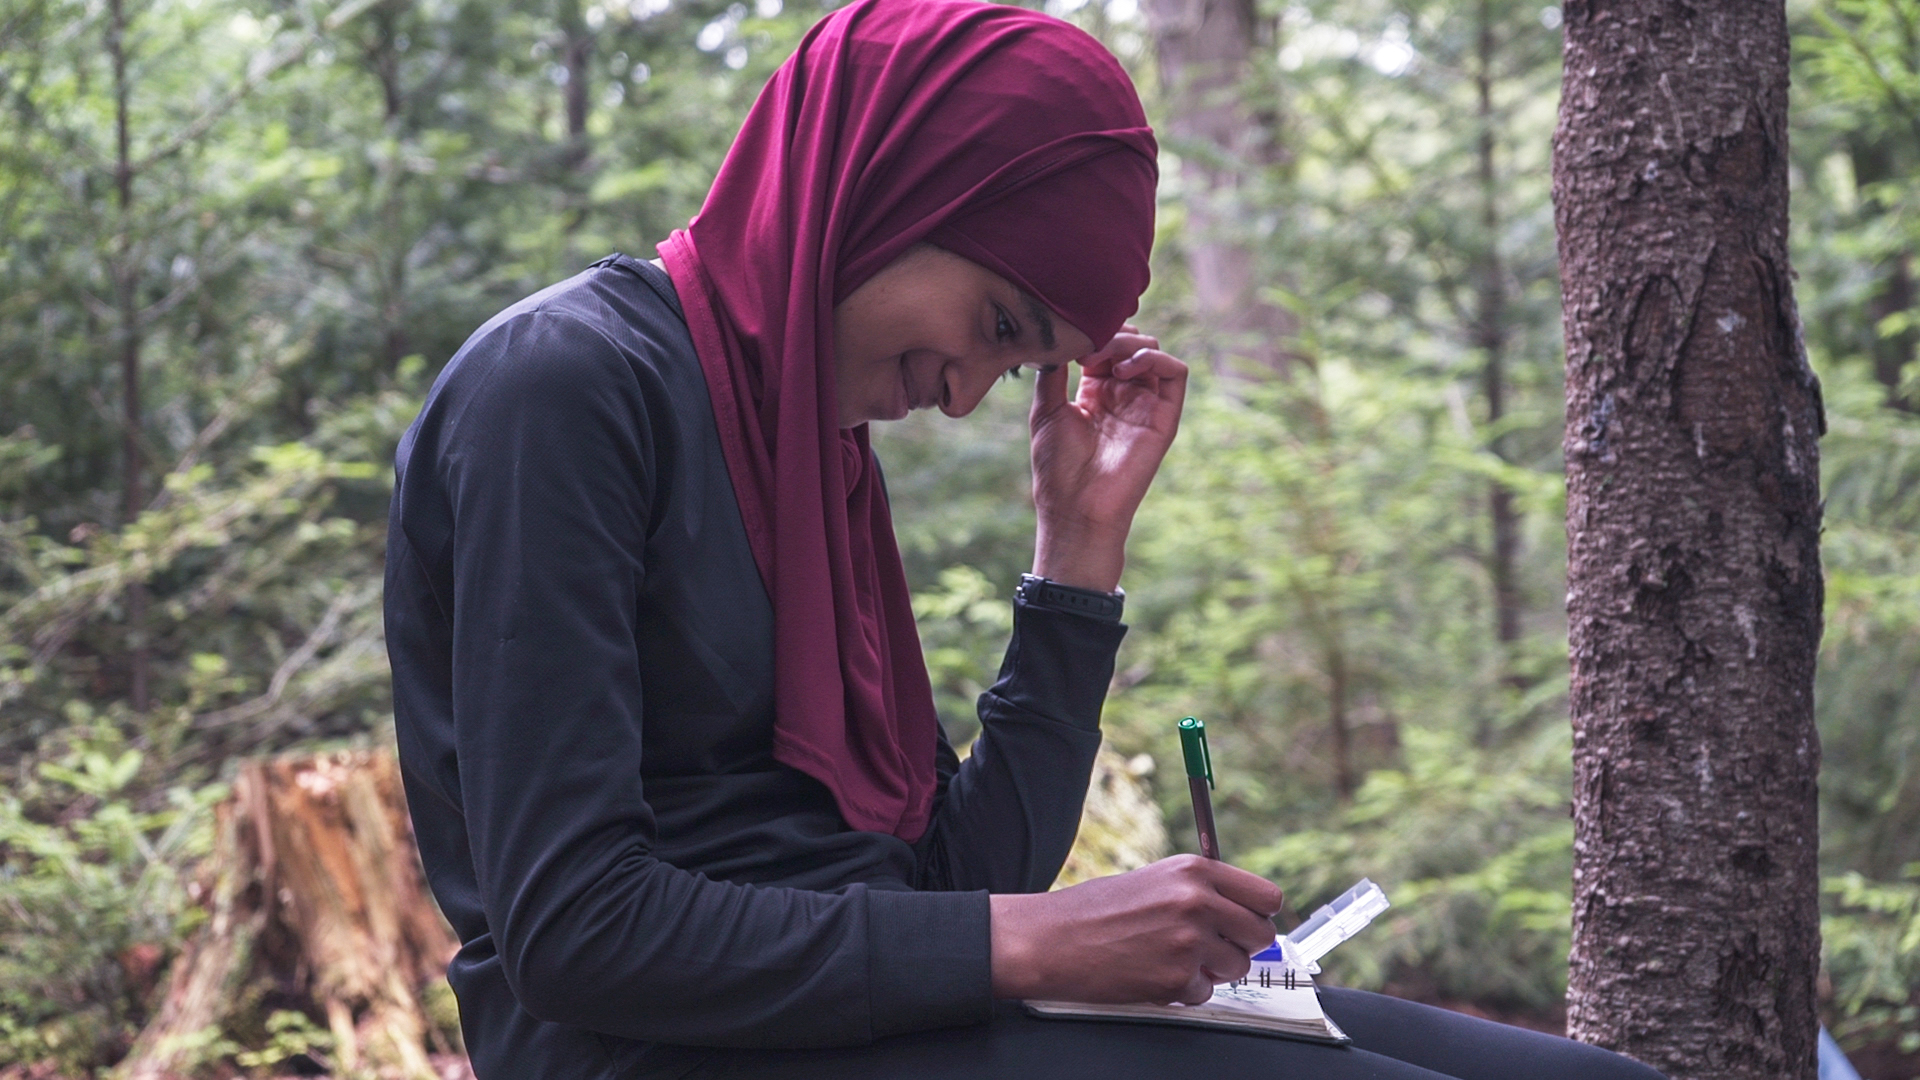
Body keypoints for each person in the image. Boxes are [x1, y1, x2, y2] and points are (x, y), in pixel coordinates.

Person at [383, 1, 1668, 1077]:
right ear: (885, 190)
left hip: (871, 1013)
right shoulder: (565, 387)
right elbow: (576, 930)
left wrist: (1077, 559)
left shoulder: (808, 451)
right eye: (999, 327)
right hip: (655, 1051)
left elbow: (952, 871)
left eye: (1011, 371)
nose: (956, 396)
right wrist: (1031, 945)